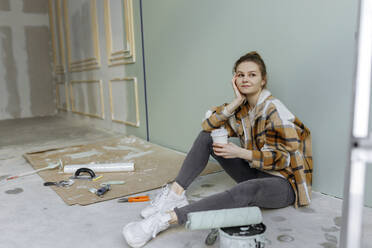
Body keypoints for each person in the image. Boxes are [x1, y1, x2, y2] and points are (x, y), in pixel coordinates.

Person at [123, 51, 313, 248]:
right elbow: (208, 125)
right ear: (234, 79)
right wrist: (236, 102)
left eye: (252, 74)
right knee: (208, 137)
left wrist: (239, 153)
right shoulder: (243, 109)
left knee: (245, 190)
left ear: (263, 80)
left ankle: (165, 219)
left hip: (283, 184)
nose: (245, 79)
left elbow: (283, 159)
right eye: (240, 75)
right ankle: (174, 195)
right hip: (257, 172)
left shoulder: (275, 109)